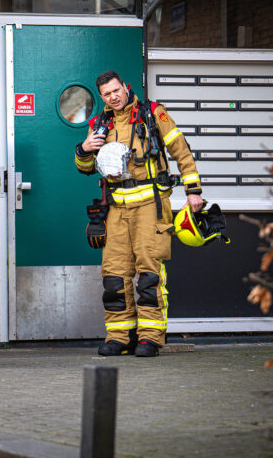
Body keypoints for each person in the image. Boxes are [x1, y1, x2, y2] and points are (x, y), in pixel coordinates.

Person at [75, 70, 203, 357]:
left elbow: (181, 150)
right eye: (107, 94)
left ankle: (150, 338)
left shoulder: (152, 113)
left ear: (125, 86)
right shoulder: (99, 123)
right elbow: (85, 168)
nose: (113, 97)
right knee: (114, 275)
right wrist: (83, 149)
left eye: (116, 90)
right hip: (116, 208)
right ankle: (119, 337)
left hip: (151, 205)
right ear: (102, 97)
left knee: (149, 274)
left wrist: (193, 189)